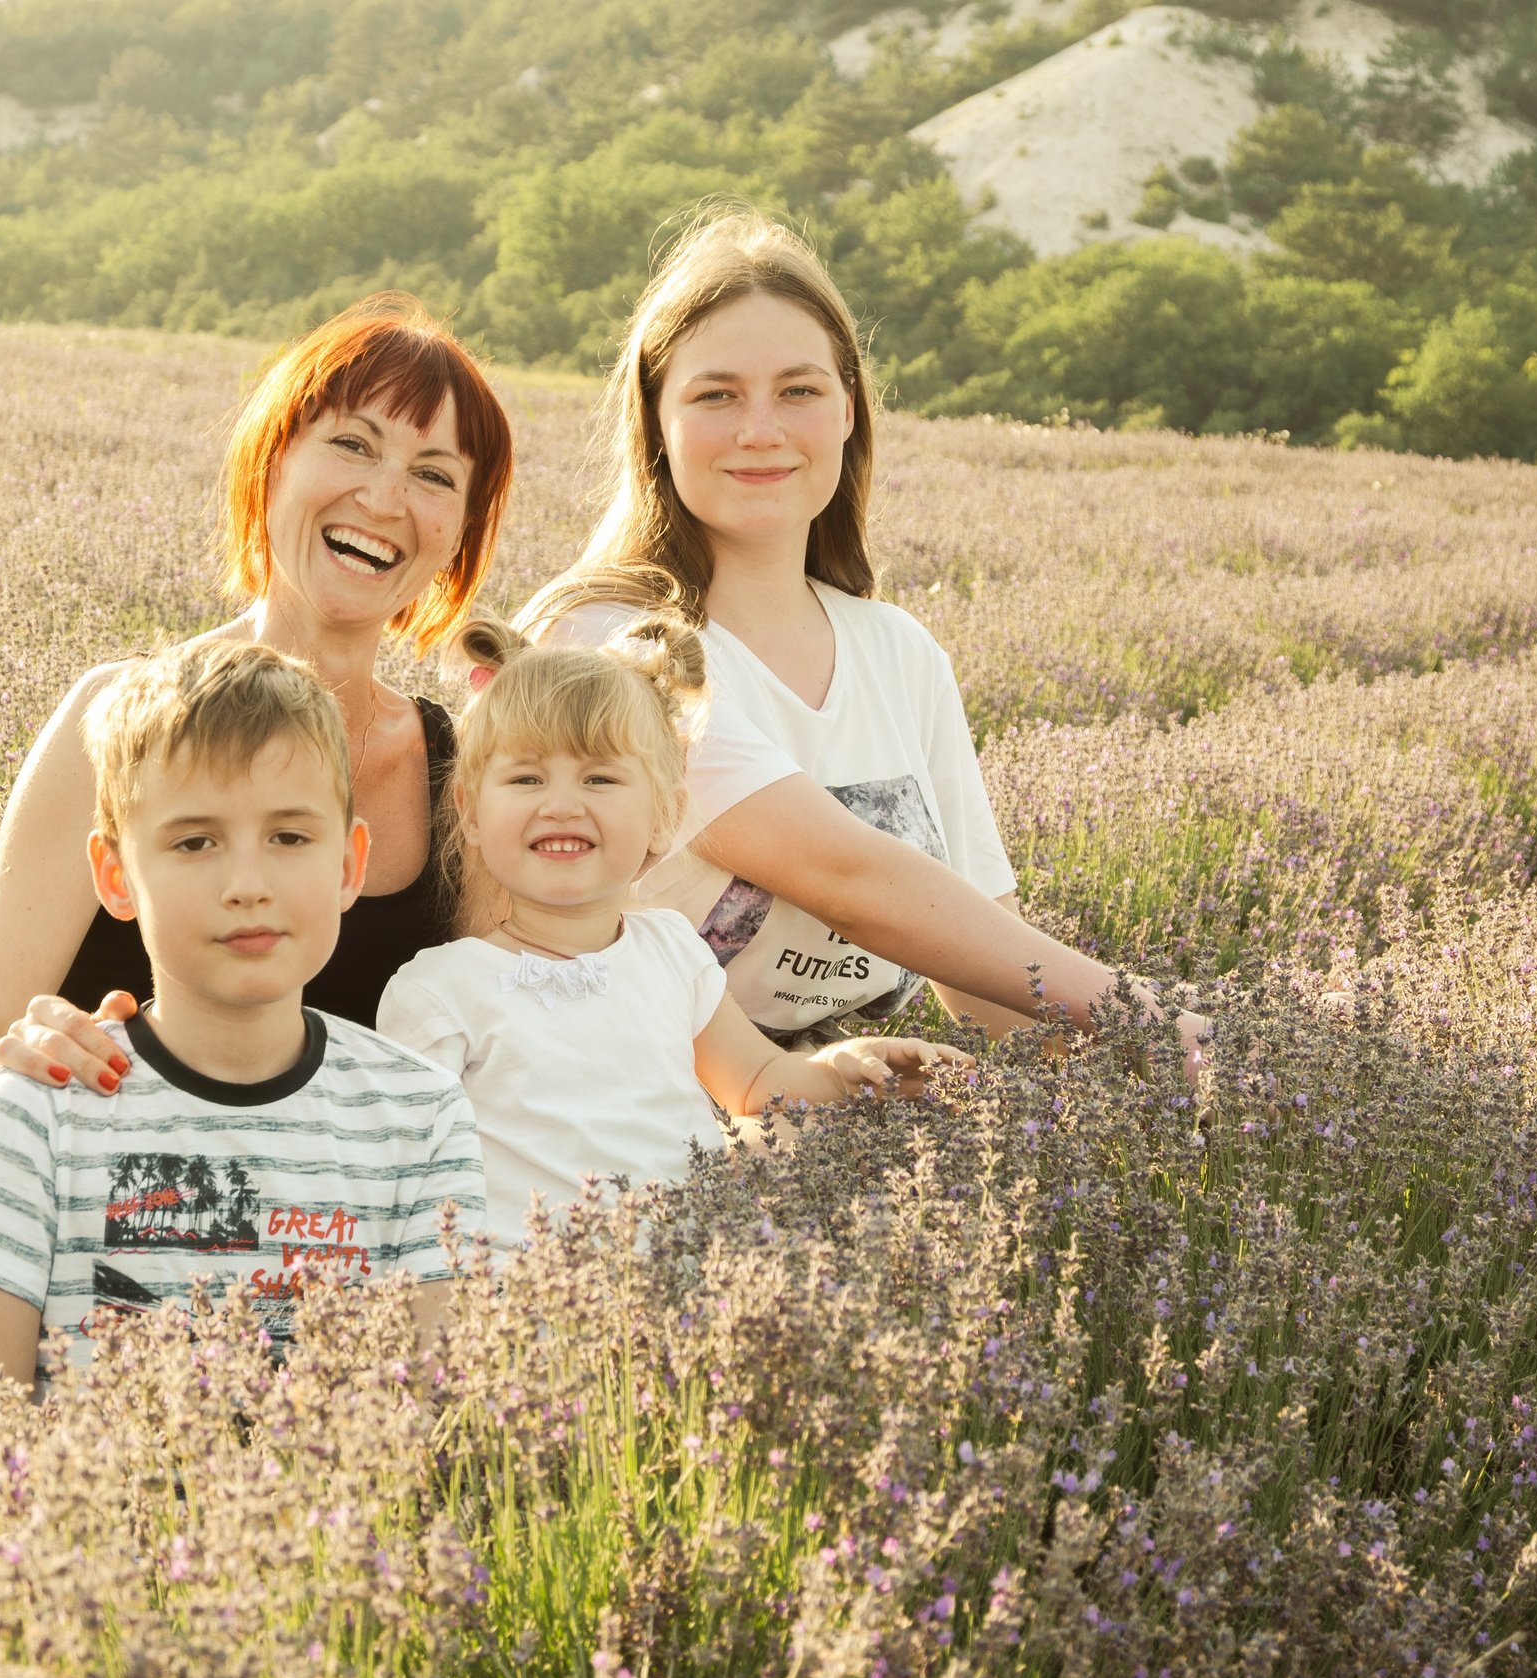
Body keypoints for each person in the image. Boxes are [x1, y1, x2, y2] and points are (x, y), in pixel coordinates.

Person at [515, 206, 1208, 1060]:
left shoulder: (899, 652)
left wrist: (1165, 1095)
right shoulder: (603, 643)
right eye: (716, 394)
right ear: (657, 423)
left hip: (836, 1116)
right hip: (617, 1117)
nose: (760, 429)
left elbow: (985, 972)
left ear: (849, 409)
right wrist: (1157, 1022)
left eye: (798, 390)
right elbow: (850, 878)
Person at [0, 295, 514, 1116]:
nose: (383, 498)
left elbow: (508, 1055)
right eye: (352, 444)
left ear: (458, 535)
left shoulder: (462, 778)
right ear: (271, 463)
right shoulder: (112, 718)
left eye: (433, 475)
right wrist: (5, 1079)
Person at [0, 635, 482, 1407]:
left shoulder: (419, 1118)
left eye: (289, 835)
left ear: (349, 865)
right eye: (194, 840)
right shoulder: (38, 1114)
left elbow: (440, 1423)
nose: (246, 883)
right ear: (116, 876)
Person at [375, 616, 968, 1245]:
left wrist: (844, 1070)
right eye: (526, 779)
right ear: (470, 811)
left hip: (681, 1300)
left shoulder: (670, 952)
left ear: (666, 815)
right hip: (529, 1308)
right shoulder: (438, 992)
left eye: (600, 778)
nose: (561, 803)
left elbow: (758, 1083)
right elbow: (397, 1187)